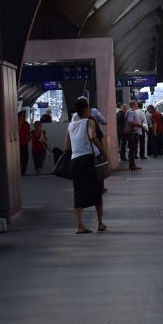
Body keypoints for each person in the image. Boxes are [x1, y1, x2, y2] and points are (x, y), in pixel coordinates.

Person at [64, 97, 109, 234]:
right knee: (96, 191)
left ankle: (79, 226)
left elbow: (67, 144)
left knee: (78, 192)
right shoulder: (89, 122)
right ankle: (100, 223)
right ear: (85, 109)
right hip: (88, 160)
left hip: (75, 161)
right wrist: (104, 152)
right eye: (88, 108)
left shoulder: (71, 125)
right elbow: (92, 137)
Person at [125, 100, 144, 170]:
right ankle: (132, 165)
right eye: (136, 104)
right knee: (133, 149)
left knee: (133, 149)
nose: (137, 105)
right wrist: (139, 124)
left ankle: (132, 164)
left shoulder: (130, 111)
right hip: (133, 133)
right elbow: (130, 121)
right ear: (134, 105)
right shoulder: (131, 112)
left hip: (133, 132)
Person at [17, 111, 30, 176]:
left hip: (24, 143)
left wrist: (28, 137)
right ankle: (18, 172)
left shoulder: (27, 124)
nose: (24, 117)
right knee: (19, 158)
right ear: (19, 117)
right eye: (23, 116)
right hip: (17, 144)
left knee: (26, 158)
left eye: (25, 116)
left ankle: (23, 171)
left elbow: (28, 133)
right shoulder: (16, 124)